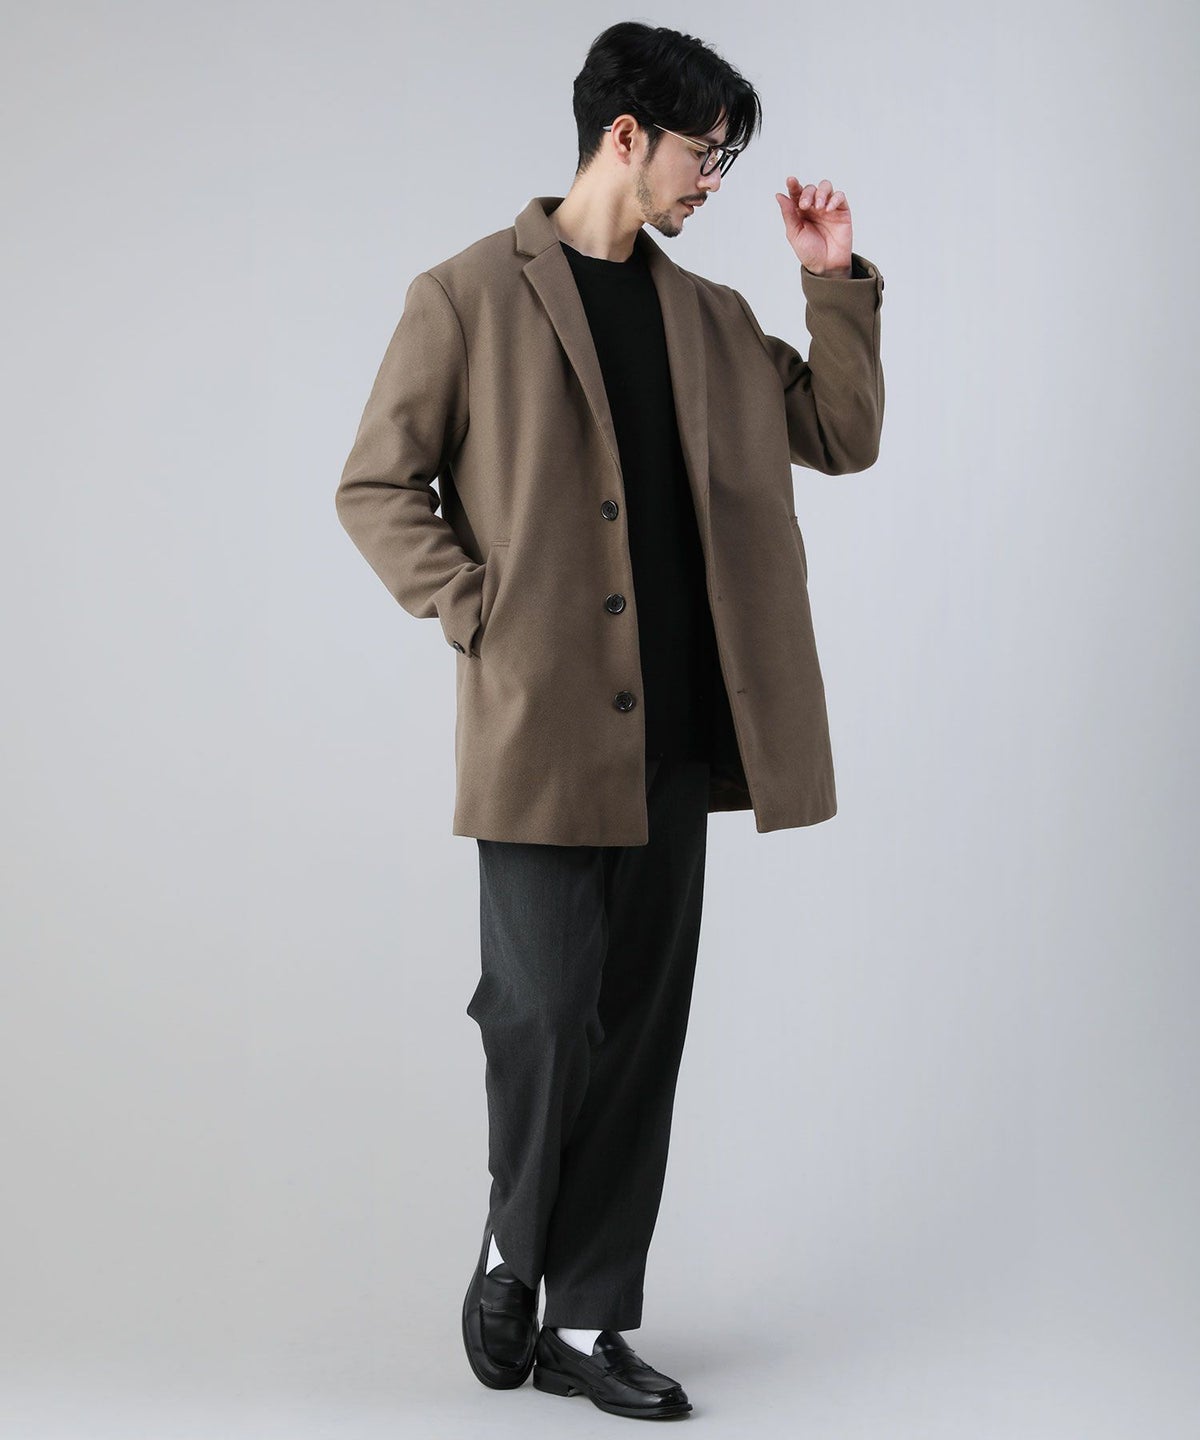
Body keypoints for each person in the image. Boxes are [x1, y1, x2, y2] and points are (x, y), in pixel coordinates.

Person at [335, 19, 885, 1421]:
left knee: (637, 1029)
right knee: (536, 1010)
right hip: (542, 729)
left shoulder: (711, 319)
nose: (715, 180)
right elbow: (377, 486)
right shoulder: (468, 295)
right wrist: (480, 611)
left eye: (728, 158)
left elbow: (839, 434)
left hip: (681, 731)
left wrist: (831, 283)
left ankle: (586, 1320)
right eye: (707, 152)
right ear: (624, 135)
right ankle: (513, 1243)